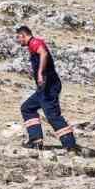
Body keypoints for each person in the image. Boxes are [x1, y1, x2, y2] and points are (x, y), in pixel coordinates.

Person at [15, 24, 78, 152]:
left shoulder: (34, 42)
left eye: (18, 38)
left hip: (49, 87)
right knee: (27, 108)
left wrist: (40, 73)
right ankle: (36, 141)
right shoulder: (32, 45)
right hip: (43, 88)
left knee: (52, 115)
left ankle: (70, 145)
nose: (18, 41)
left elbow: (43, 53)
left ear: (23, 35)